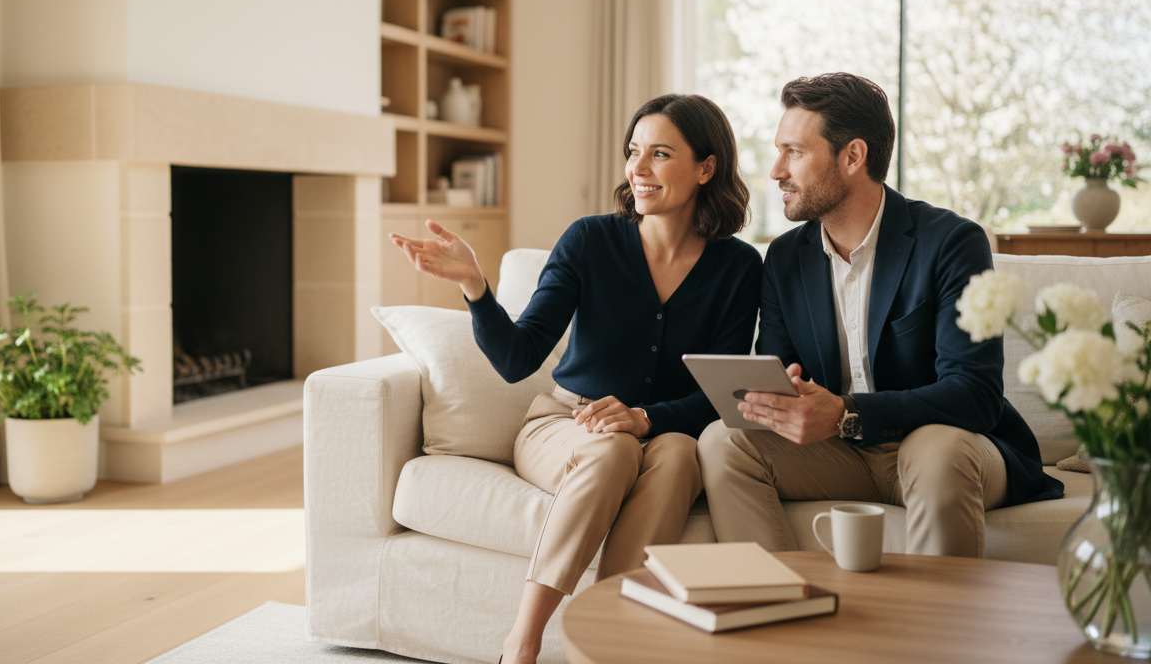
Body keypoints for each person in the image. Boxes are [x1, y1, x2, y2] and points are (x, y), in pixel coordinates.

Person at [390, 94, 761, 664]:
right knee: (612, 452)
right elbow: (518, 357)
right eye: (633, 152)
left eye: (660, 154)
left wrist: (647, 418)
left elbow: (719, 394)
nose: (637, 169)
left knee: (681, 456)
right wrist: (475, 288)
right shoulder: (590, 241)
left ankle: (606, 643)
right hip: (564, 422)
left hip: (660, 433)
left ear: (706, 167)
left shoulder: (738, 268)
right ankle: (524, 640)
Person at [698, 73, 1063, 559]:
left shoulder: (951, 242)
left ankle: (938, 633)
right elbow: (782, 374)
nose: (775, 171)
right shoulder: (785, 258)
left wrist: (847, 414)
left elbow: (975, 394)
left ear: (852, 156)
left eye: (795, 152)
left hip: (943, 447)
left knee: (938, 453)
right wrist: (784, 400)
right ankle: (775, 607)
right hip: (839, 455)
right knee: (723, 441)